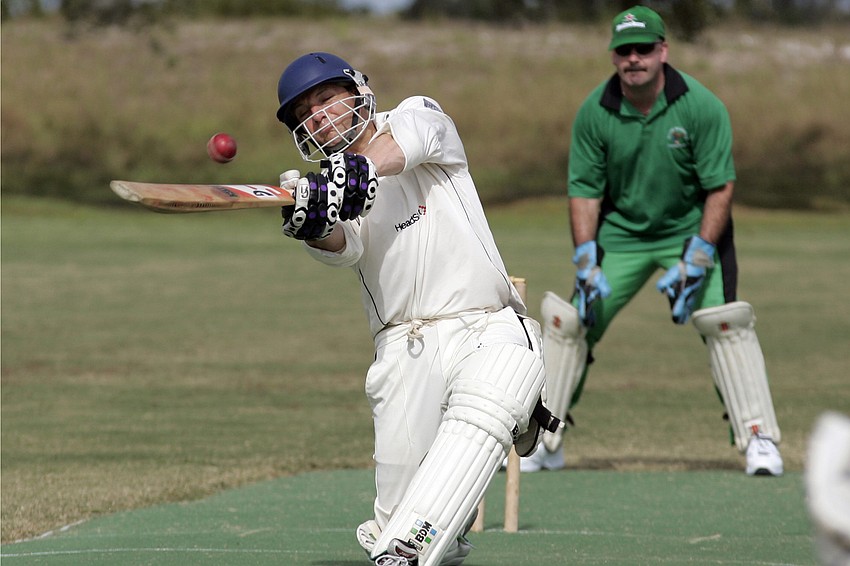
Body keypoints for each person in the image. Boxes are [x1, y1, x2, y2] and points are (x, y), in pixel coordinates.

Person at [274, 52, 561, 566]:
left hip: (483, 323)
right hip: (402, 351)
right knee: (409, 523)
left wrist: (353, 171)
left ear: (357, 91)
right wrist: (315, 224)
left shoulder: (416, 116)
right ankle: (417, 541)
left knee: (494, 389)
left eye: (324, 99)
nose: (316, 116)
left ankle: (500, 418)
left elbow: (410, 142)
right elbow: (347, 248)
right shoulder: (336, 191)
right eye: (303, 114)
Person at [523, 6, 784, 476]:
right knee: (569, 324)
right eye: (625, 50)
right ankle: (545, 441)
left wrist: (700, 256)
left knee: (725, 322)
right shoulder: (595, 111)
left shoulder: (701, 106)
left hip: (690, 232)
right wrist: (585, 261)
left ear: (663, 50)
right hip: (621, 235)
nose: (634, 58)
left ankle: (758, 439)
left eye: (644, 48)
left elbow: (720, 186)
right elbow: (584, 191)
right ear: (614, 56)